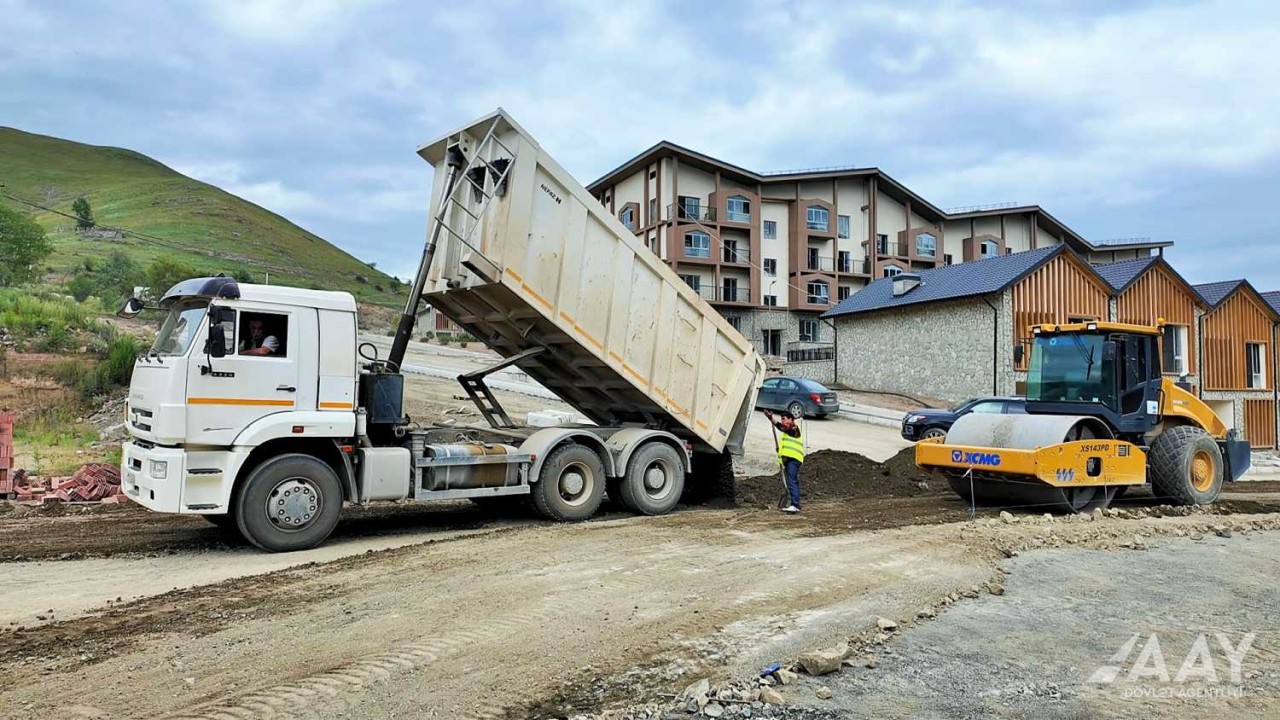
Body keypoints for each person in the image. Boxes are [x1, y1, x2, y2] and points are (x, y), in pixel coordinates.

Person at [764, 409, 804, 513]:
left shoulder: (793, 428)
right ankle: (793, 503)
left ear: (791, 419)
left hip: (794, 459)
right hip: (789, 460)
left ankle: (795, 505)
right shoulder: (788, 430)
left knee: (792, 481)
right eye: (781, 419)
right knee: (791, 481)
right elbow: (782, 430)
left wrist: (772, 419)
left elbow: (782, 427)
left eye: (784, 419)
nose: (782, 421)